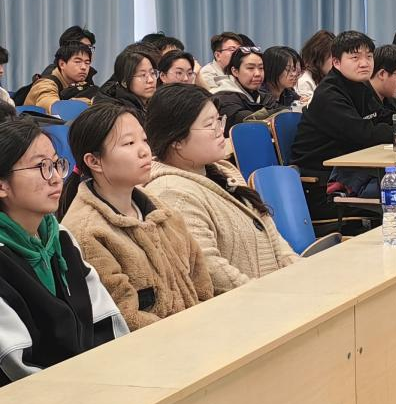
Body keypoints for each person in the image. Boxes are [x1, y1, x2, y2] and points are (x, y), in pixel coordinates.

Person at [58, 104, 213, 330]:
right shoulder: (86, 232)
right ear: (94, 161)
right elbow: (125, 318)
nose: (144, 151)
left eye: (144, 140)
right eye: (129, 143)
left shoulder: (160, 210)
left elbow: (201, 281)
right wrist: (192, 333)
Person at [0, 118, 128, 385]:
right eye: (41, 167)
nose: (57, 178)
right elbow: (15, 366)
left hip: (96, 383)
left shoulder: (61, 237)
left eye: (57, 164)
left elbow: (105, 321)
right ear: (2, 185)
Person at [144, 84, 298, 294]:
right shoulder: (172, 193)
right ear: (176, 140)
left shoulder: (222, 171)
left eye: (219, 120)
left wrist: (298, 273)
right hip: (249, 304)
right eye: (210, 125)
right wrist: (274, 295)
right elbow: (211, 271)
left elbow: (273, 236)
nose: (221, 131)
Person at [290, 31, 395, 218]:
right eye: (355, 57)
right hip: (323, 186)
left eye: (369, 56)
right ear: (336, 62)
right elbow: (365, 135)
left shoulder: (361, 86)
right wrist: (393, 131)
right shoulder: (328, 95)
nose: (364, 63)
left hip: (352, 175)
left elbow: (386, 119)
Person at [328, 44, 396, 198]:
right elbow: (371, 134)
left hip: (371, 167)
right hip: (344, 173)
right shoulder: (358, 96)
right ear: (382, 73)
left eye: (369, 57)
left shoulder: (389, 99)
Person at [214, 46, 284, 135]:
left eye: (261, 68)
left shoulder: (262, 95)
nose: (258, 74)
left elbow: (283, 113)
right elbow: (251, 122)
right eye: (250, 68)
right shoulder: (223, 98)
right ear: (235, 71)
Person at [23, 43, 98, 113]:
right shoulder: (45, 84)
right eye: (78, 62)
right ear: (62, 64)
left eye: (87, 63)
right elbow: (51, 105)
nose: (84, 67)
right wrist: (89, 103)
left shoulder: (81, 84)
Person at [94, 45, 158, 121]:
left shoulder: (151, 103)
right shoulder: (118, 112)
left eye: (152, 73)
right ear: (124, 82)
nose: (150, 80)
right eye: (142, 75)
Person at [297, 30, 335, 104]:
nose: (336, 62)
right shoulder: (305, 80)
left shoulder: (325, 76)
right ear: (318, 56)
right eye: (332, 56)